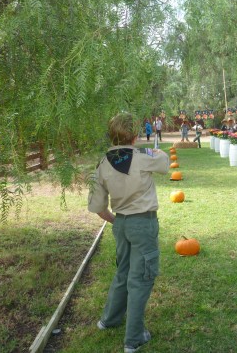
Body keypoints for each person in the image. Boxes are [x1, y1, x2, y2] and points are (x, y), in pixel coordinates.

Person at [88, 112, 169, 353]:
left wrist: (117, 221)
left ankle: (109, 320)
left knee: (123, 272)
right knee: (141, 278)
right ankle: (134, 338)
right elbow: (164, 162)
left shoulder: (102, 163)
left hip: (121, 224)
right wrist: (149, 147)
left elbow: (97, 206)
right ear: (134, 135)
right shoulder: (142, 156)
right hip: (143, 224)